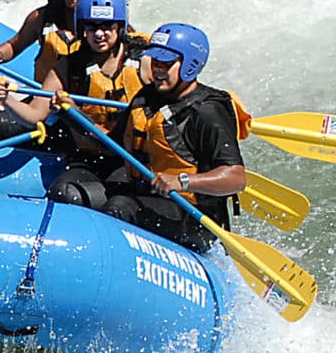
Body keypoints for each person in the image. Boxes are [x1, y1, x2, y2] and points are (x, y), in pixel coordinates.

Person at [0, 0, 146, 205]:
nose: (100, 34)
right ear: (82, 28)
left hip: (131, 160)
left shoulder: (144, 61)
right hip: (89, 158)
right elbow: (34, 115)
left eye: (107, 27)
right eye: (92, 27)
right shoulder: (68, 66)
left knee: (121, 204)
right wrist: (6, 99)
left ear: (120, 27)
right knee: (64, 194)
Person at [94, 24, 248, 250]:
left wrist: (181, 181)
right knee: (76, 193)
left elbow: (236, 178)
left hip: (192, 216)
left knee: (119, 207)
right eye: (155, 62)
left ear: (189, 65)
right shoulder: (148, 96)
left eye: (166, 64)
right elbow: (111, 144)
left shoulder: (207, 111)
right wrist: (72, 113)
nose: (157, 70)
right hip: (145, 196)